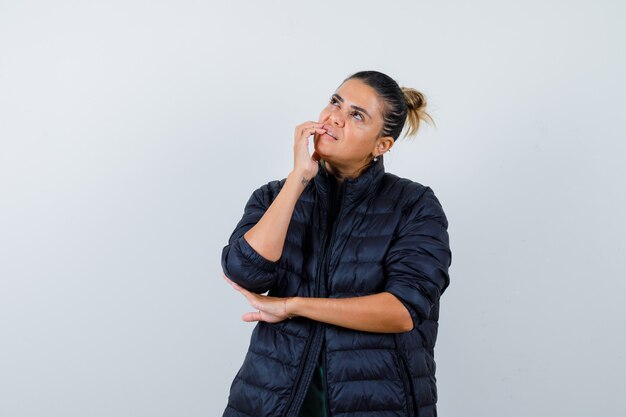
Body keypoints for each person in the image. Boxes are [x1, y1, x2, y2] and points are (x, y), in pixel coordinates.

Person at [221, 70, 452, 417]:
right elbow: (246, 271)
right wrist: (298, 179)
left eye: (356, 115)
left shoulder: (414, 205)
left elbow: (403, 311)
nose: (334, 118)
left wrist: (293, 306)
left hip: (376, 401)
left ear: (382, 145)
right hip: (271, 398)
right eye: (335, 102)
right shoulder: (274, 195)